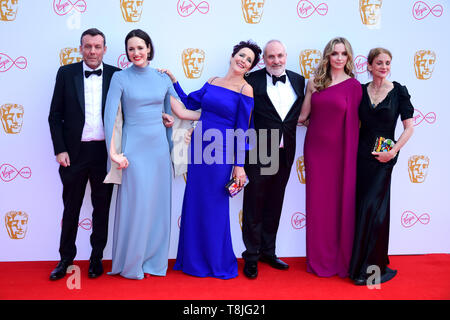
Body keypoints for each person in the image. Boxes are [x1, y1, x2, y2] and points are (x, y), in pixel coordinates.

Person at [103, 29, 198, 280]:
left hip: (158, 149)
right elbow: (110, 116)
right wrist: (113, 153)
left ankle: (154, 262)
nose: (136, 53)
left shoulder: (162, 78)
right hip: (133, 149)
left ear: (149, 48)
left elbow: (181, 111)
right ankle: (131, 263)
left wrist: (218, 116)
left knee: (157, 207)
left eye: (140, 48)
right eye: (131, 49)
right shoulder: (120, 78)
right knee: (136, 206)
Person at [162, 40, 261, 279]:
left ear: (250, 67)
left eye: (249, 60)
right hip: (198, 149)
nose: (243, 60)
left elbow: (242, 129)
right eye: (241, 55)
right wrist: (171, 81)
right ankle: (192, 261)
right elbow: (188, 103)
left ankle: (216, 261)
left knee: (215, 206)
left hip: (221, 152)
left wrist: (239, 165)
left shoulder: (245, 89)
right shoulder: (212, 81)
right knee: (195, 202)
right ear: (232, 55)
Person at [48, 28, 121, 280]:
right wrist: (60, 149)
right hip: (74, 154)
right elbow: (55, 116)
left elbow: (131, 112)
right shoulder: (66, 73)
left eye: (97, 46)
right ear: (81, 48)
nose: (92, 51)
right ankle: (65, 259)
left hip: (104, 153)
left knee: (102, 209)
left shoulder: (116, 75)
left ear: (104, 48)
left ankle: (96, 259)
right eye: (88, 46)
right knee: (71, 209)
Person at [298, 37, 362, 278]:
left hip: (342, 153)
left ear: (348, 57)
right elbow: (303, 117)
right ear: (328, 56)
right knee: (318, 204)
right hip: (316, 151)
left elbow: (357, 124)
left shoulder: (354, 86)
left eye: (343, 54)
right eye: (334, 53)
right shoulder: (315, 82)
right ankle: (319, 258)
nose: (338, 58)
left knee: (340, 203)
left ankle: (340, 257)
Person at [349, 48, 414, 285]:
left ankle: (371, 270)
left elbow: (409, 128)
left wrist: (393, 151)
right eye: (379, 63)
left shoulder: (399, 91)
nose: (384, 67)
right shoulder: (360, 91)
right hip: (361, 156)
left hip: (385, 159)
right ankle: (358, 267)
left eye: (387, 63)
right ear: (369, 65)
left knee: (375, 212)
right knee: (361, 209)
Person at [242, 40, 305, 279]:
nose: (276, 61)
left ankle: (269, 251)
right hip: (260, 151)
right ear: (264, 59)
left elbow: (297, 115)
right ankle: (251, 255)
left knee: (275, 203)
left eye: (280, 56)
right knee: (254, 204)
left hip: (286, 151)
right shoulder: (252, 80)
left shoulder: (299, 80)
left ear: (286, 56)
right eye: (271, 57)